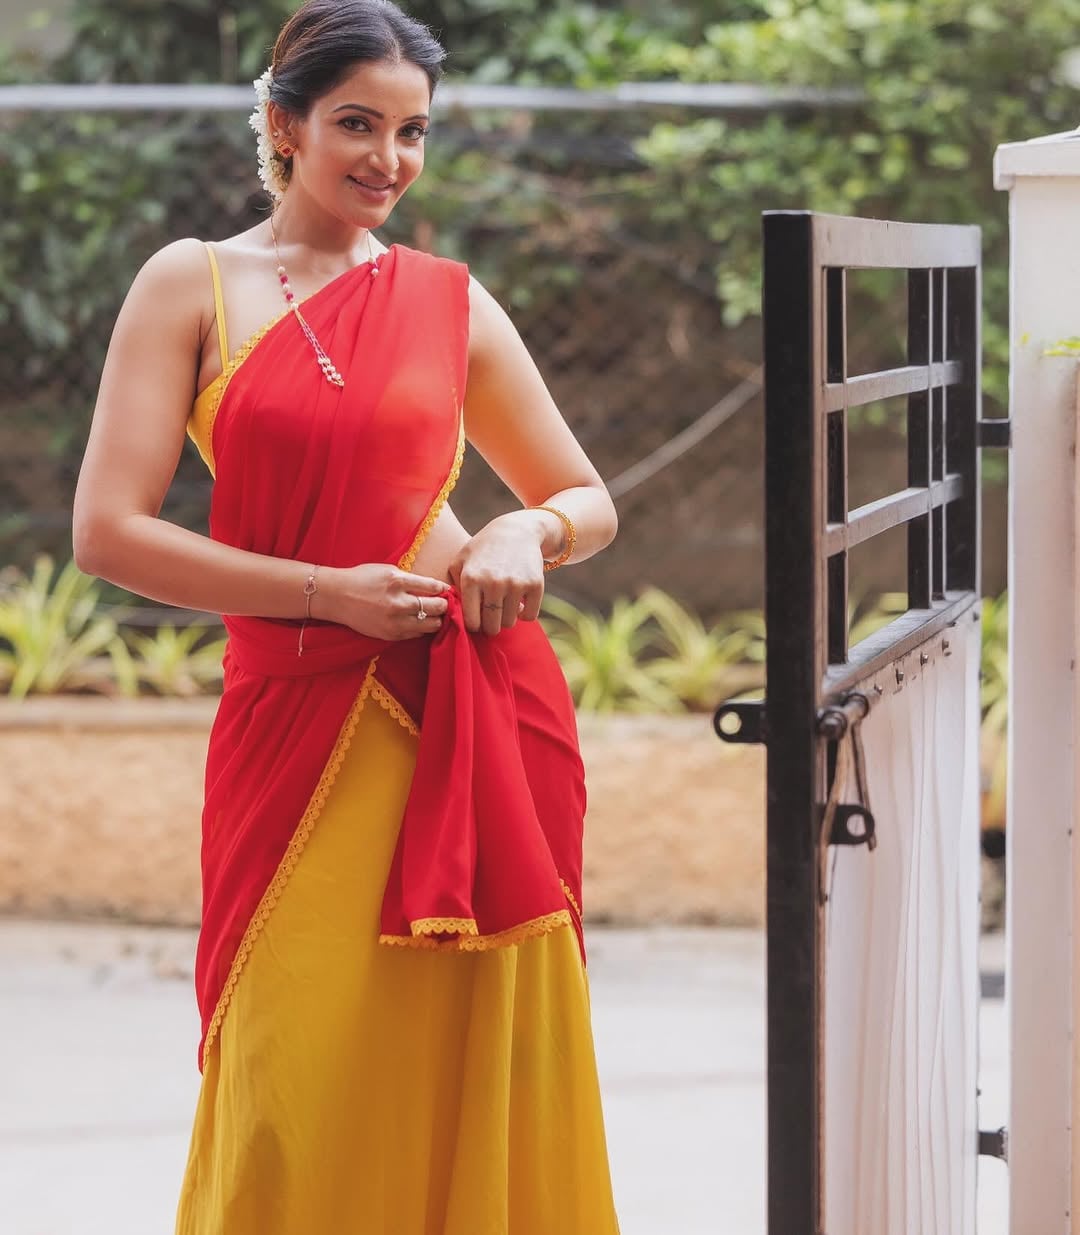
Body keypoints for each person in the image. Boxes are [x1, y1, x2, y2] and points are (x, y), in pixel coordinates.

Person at [72, 1, 621, 1231]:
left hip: (470, 710)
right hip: (296, 712)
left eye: (412, 131)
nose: (389, 158)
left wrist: (523, 531)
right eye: (357, 124)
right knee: (288, 1066)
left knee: (465, 1056)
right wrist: (330, 596)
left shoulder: (446, 300)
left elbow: (586, 497)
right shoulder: (192, 283)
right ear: (286, 125)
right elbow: (108, 532)